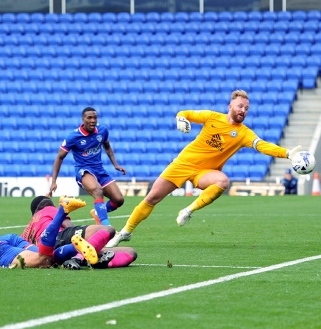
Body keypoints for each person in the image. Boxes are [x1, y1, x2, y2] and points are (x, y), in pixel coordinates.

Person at [107, 90, 303, 247]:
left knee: (222, 181)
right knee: (152, 198)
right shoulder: (212, 117)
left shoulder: (243, 133)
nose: (243, 110)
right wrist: (180, 119)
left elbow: (262, 145)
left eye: (246, 108)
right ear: (230, 106)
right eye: (240, 106)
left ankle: (188, 210)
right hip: (183, 164)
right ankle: (125, 232)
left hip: (204, 173)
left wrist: (287, 153)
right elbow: (186, 113)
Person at [47, 107, 126, 227]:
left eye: (95, 117)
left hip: (99, 170)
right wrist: (54, 181)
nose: (93, 120)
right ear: (83, 119)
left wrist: (115, 164)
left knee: (119, 200)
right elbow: (59, 157)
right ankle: (106, 226)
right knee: (97, 190)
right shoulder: (73, 136)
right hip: (84, 171)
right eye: (89, 117)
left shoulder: (102, 130)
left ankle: (97, 212)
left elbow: (107, 147)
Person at [22, 196, 137, 270]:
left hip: (53, 255)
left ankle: (91, 260)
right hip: (60, 238)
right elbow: (69, 227)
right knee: (108, 230)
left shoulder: (27, 229)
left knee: (130, 252)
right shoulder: (47, 209)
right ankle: (78, 258)